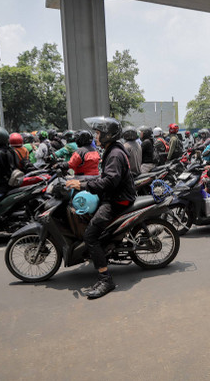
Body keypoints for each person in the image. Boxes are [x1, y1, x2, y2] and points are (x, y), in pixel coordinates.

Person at [65, 116, 136, 299]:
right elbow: (102, 177)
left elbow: (109, 181)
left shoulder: (114, 154)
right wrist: (80, 180)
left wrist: (82, 185)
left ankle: (106, 279)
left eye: (98, 133)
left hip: (116, 200)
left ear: (107, 135)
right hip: (114, 196)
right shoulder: (112, 150)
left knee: (90, 235)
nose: (96, 137)